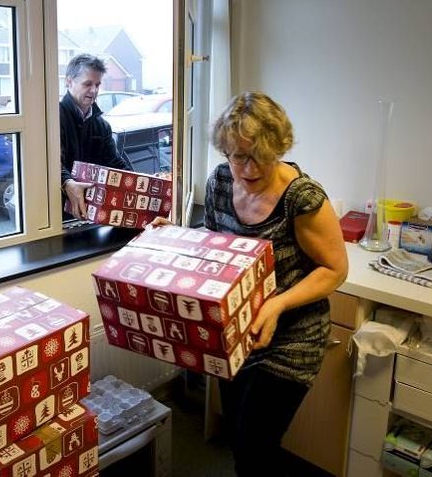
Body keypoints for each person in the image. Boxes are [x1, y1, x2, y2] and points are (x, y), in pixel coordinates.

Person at [157, 91, 348, 476]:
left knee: (253, 447)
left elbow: (335, 269)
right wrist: (175, 237)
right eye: (238, 156)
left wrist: (276, 304)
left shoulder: (302, 198)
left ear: (278, 148)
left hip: (291, 338)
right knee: (242, 440)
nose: (248, 167)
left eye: (259, 156)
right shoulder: (222, 183)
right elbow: (214, 246)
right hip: (240, 333)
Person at [60, 53, 132, 218]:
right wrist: (67, 182)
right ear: (69, 81)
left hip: (92, 214)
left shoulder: (102, 126)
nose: (94, 91)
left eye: (97, 84)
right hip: (57, 216)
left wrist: (139, 181)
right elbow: (50, 163)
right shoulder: (53, 119)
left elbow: (114, 162)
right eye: (88, 84)